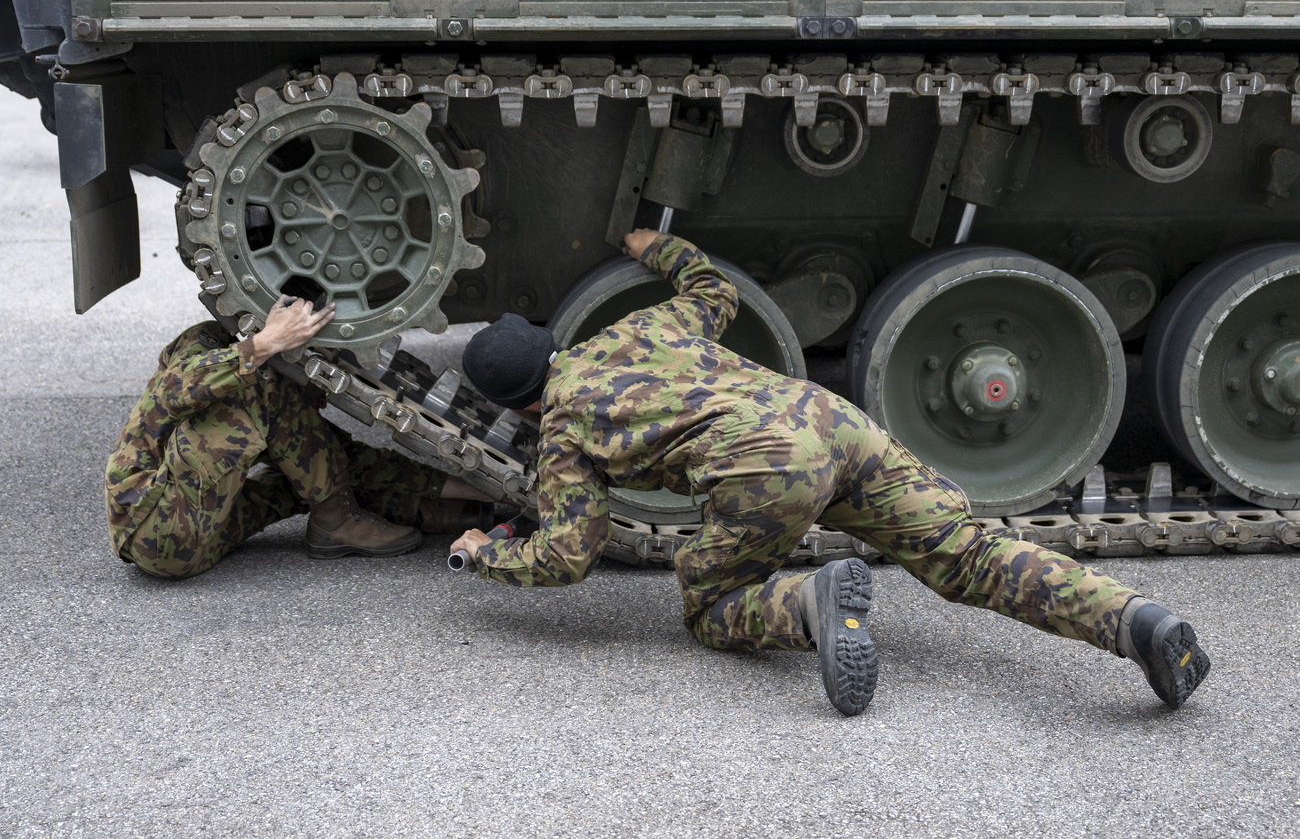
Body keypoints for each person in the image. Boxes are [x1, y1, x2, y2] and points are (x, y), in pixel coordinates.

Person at [451, 229, 1212, 716]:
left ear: (518, 403)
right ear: (551, 343)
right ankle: (1134, 620)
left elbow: (568, 554)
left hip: (763, 465)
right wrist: (655, 246)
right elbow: (714, 290)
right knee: (967, 555)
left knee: (709, 606)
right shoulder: (638, 328)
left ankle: (807, 603)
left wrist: (484, 554)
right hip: (832, 421)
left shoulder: (562, 432)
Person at [106, 296, 493, 580]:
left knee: (316, 474)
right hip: (157, 525)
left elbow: (338, 459)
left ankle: (461, 514)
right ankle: (337, 522)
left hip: (189, 541)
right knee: (267, 392)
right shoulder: (206, 345)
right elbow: (173, 389)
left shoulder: (255, 402)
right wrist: (268, 344)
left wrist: (481, 489)